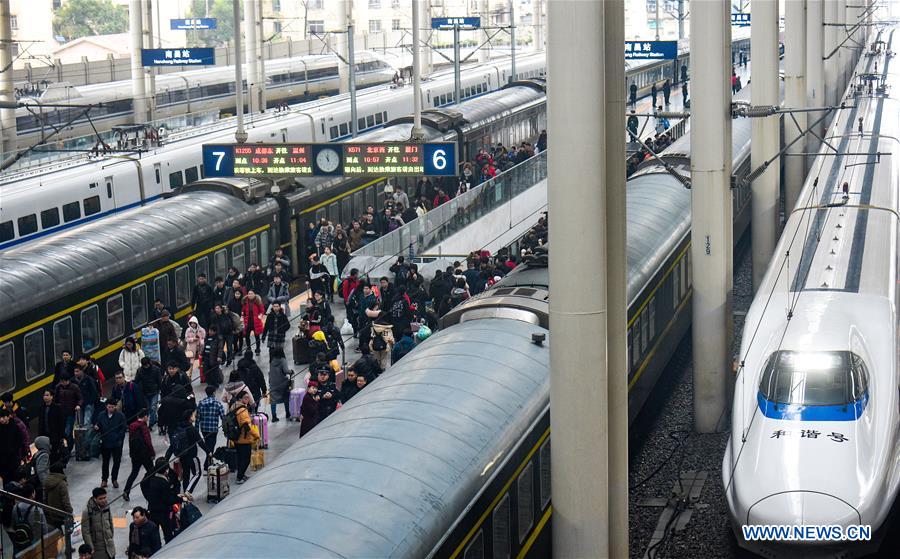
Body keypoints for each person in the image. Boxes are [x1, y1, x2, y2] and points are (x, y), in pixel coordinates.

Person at [165, 410, 208, 492]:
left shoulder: (179, 428)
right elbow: (200, 442)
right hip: (192, 456)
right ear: (190, 417)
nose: (194, 416)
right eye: (193, 415)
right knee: (197, 474)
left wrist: (167, 457)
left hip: (182, 456)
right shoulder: (192, 429)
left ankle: (185, 494)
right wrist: (208, 452)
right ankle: (188, 491)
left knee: (186, 476)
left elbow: (173, 444)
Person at [140, 458, 180, 543]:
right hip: (163, 511)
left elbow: (176, 484)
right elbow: (168, 499)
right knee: (167, 532)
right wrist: (180, 498)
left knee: (157, 534)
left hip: (154, 508)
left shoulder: (156, 476)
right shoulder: (160, 481)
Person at [93, 399, 126, 489]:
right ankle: (104, 480)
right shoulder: (101, 415)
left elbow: (123, 429)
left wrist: (118, 438)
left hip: (116, 443)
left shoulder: (120, 416)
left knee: (116, 462)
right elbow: (98, 425)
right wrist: (96, 427)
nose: (110, 408)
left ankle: (114, 479)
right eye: (109, 407)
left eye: (112, 407)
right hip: (105, 442)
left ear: (115, 407)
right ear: (106, 406)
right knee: (105, 462)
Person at [123, 409, 155, 502]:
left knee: (134, 473)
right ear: (145, 417)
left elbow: (130, 441)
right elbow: (148, 442)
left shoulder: (132, 426)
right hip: (145, 454)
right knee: (151, 472)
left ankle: (126, 491)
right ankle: (152, 491)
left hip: (135, 454)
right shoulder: (143, 427)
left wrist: (131, 453)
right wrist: (152, 453)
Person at [228, 391, 259, 484]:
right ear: (240, 399)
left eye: (248, 397)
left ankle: (241, 475)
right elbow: (246, 426)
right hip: (244, 438)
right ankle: (239, 477)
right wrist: (256, 435)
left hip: (235, 437)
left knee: (240, 457)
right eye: (245, 397)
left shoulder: (233, 406)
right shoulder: (242, 410)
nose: (247, 399)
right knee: (246, 459)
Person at [81, 487, 115, 559]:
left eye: (104, 497)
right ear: (94, 498)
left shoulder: (107, 506)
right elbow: (85, 532)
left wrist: (110, 536)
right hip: (97, 547)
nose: (103, 500)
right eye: (100, 498)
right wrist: (91, 547)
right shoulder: (87, 511)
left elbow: (110, 521)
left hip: (109, 546)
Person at [11, 483, 46, 552]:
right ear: (32, 494)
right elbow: (44, 528)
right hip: (35, 542)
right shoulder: (37, 509)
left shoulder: (15, 507)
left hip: (22, 541)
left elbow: (13, 524)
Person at [196, 385, 225, 468]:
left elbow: (198, 418)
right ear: (214, 393)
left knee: (208, 445)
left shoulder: (201, 403)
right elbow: (223, 417)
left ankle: (209, 463)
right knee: (210, 447)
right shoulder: (217, 404)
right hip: (213, 429)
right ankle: (207, 465)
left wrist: (196, 430)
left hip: (204, 429)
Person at [54, 375, 83, 446]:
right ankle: (68, 445)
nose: (62, 383)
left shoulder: (74, 387)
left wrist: (78, 405)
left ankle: (69, 446)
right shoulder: (58, 387)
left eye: (63, 381)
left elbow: (80, 398)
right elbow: (56, 398)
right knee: (63, 431)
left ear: (67, 381)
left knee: (68, 431)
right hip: (61, 413)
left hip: (70, 412)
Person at [43, 463, 73, 530]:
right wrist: (70, 511)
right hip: (62, 513)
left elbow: (45, 499)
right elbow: (65, 501)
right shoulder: (62, 483)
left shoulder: (46, 482)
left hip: (52, 513)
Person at [37, 389, 66, 458]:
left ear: (52, 397)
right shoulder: (41, 408)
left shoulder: (57, 408)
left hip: (55, 435)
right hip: (44, 435)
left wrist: (61, 435)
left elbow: (61, 422)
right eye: (44, 395)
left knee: (55, 452)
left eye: (47, 395)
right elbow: (40, 422)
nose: (45, 397)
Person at [134, 358, 162, 429]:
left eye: (147, 365)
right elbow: (136, 381)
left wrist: (160, 389)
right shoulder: (140, 371)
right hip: (145, 392)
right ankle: (154, 419)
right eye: (144, 366)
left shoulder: (156, 369)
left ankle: (151, 423)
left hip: (154, 391)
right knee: (149, 409)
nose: (146, 367)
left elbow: (159, 380)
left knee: (153, 407)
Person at [267, 348, 291, 422]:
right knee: (286, 398)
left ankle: (274, 416)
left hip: (273, 383)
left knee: (273, 400)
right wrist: (291, 371)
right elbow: (286, 370)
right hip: (283, 383)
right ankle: (287, 413)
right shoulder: (282, 360)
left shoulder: (271, 360)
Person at [242, 290, 266, 355]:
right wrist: (242, 316)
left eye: (251, 293)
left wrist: (260, 316)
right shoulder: (245, 301)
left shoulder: (258, 301)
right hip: (247, 322)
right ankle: (248, 348)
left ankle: (258, 349)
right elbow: (243, 311)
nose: (250, 295)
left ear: (254, 294)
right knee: (247, 336)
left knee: (257, 336)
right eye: (249, 294)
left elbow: (262, 310)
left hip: (256, 322)